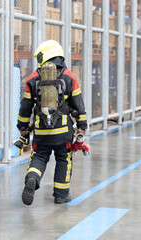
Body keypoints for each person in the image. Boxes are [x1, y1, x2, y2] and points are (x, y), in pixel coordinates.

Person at [17, 40, 87, 205]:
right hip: (63, 132)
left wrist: (22, 127)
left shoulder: (33, 78)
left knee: (39, 156)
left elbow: (25, 106)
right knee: (64, 158)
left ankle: (33, 178)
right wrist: (82, 127)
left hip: (41, 131)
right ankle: (61, 195)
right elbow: (79, 104)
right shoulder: (69, 76)